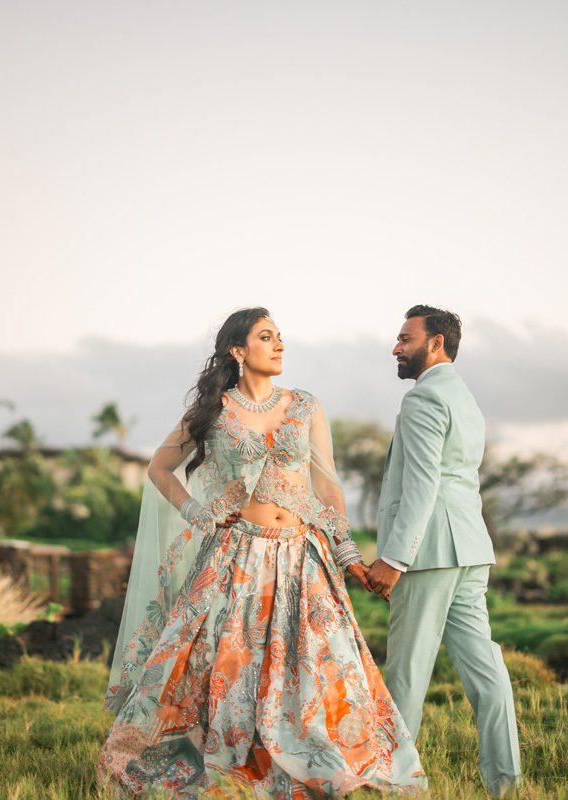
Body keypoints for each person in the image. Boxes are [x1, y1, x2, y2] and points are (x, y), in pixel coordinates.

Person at [99, 307, 425, 798]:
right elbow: (160, 468)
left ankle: (321, 752)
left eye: (280, 337)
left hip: (301, 558)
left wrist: (346, 552)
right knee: (227, 665)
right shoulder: (215, 412)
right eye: (266, 337)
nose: (279, 345)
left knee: (320, 663)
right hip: (236, 556)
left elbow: (327, 485)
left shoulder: (305, 405)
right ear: (238, 350)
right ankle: (228, 753)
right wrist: (200, 515)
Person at [365, 305, 522, 798]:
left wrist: (394, 558)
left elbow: (422, 486)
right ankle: (506, 782)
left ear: (435, 343)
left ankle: (397, 784)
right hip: (471, 547)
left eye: (405, 338)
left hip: (430, 552)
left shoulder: (423, 400)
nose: (396, 347)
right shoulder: (465, 398)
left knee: (407, 672)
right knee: (486, 670)